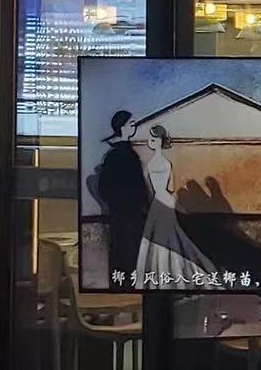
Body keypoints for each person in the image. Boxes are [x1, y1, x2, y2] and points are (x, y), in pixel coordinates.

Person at [129, 124, 222, 287]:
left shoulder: (149, 165)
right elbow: (171, 187)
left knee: (156, 239)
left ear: (159, 141)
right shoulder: (166, 163)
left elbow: (148, 189)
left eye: (153, 139)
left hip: (157, 202)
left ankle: (162, 273)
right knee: (171, 236)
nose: (150, 142)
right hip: (166, 199)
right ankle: (175, 272)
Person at [87, 109, 151, 282]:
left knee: (120, 252)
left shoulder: (114, 156)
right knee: (130, 254)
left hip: (119, 215)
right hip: (131, 215)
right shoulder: (127, 156)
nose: (134, 127)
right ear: (122, 128)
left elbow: (105, 189)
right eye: (131, 124)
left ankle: (120, 283)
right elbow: (138, 187)